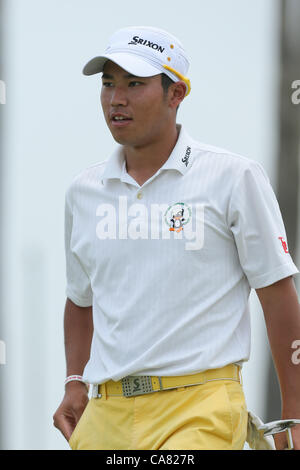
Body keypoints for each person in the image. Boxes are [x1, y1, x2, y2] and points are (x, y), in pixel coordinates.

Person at [53, 25, 300, 450]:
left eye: (135, 84)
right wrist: (75, 380)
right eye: (108, 84)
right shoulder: (83, 192)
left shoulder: (233, 177)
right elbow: (80, 299)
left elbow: (278, 298)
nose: (117, 98)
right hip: (107, 411)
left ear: (176, 94)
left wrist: (294, 417)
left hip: (200, 405)